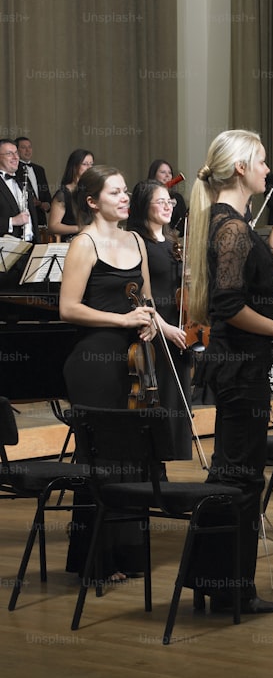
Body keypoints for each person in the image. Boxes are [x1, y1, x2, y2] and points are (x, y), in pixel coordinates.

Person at [184, 129, 273, 614]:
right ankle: (229, 585)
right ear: (239, 168)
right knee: (239, 478)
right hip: (239, 367)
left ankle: (215, 581)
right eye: (259, 161)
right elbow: (228, 305)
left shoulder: (227, 222)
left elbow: (242, 297)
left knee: (232, 474)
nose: (265, 171)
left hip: (239, 366)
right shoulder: (232, 227)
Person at [60, 164, 157, 579]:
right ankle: (93, 559)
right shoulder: (84, 243)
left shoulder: (137, 239)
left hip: (134, 359)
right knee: (100, 458)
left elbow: (147, 299)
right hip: (94, 361)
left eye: (125, 192)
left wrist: (154, 322)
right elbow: (68, 308)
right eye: (115, 192)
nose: (124, 198)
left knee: (130, 457)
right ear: (92, 200)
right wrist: (122, 320)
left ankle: (126, 555)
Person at [125, 179, 192, 461]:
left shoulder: (173, 240)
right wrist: (164, 327)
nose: (168, 206)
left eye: (170, 202)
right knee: (159, 397)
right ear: (143, 207)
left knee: (177, 399)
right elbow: (142, 291)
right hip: (157, 330)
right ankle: (153, 461)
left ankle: (167, 462)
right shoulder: (138, 241)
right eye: (161, 201)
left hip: (178, 329)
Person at [48, 148, 94, 241]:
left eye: (91, 164)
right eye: (85, 164)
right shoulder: (63, 194)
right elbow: (53, 226)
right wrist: (81, 228)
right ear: (74, 166)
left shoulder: (93, 190)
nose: (89, 168)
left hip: (92, 239)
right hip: (72, 241)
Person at [0, 139, 37, 242]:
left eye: (16, 153)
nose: (15, 157)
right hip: (8, 251)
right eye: (9, 154)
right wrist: (12, 221)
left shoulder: (22, 182)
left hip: (30, 247)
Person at [148, 159, 188, 234]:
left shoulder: (177, 198)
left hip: (172, 239)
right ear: (154, 174)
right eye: (163, 172)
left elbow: (183, 226)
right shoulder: (146, 195)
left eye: (170, 173)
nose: (167, 176)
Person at [15, 136, 49, 222]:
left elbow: (46, 192)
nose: (28, 150)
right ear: (16, 150)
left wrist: (47, 204)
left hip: (40, 217)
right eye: (23, 147)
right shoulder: (14, 170)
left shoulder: (39, 169)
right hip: (23, 217)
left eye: (29, 147)